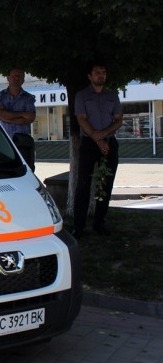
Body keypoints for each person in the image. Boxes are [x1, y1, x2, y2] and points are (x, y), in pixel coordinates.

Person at [71, 63, 122, 240]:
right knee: (83, 184)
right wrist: (98, 139)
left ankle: (100, 223)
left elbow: (118, 120)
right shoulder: (82, 96)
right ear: (90, 76)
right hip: (89, 144)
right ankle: (78, 226)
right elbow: (81, 119)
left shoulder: (112, 95)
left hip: (109, 143)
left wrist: (104, 136)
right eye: (97, 72)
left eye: (103, 72)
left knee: (106, 184)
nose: (101, 75)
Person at [0, 68, 37, 171]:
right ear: (8, 78)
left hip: (23, 144)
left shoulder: (28, 98)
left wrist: (7, 117)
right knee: (5, 171)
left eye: (20, 76)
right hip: (4, 142)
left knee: (24, 171)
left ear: (23, 79)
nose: (17, 78)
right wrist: (22, 114)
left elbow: (30, 118)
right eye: (14, 75)